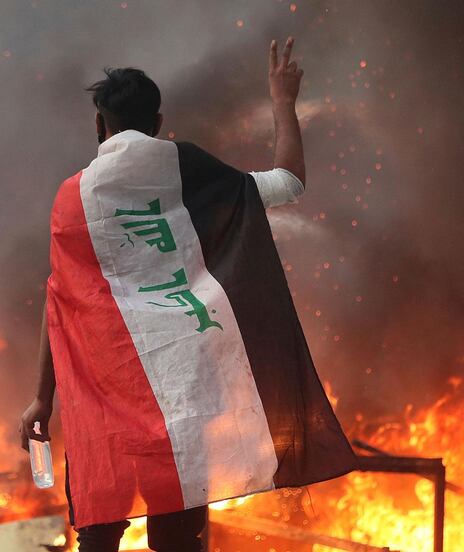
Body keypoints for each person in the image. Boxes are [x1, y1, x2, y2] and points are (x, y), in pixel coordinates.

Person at [20, 38, 355, 552]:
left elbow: (58, 302)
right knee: (177, 537)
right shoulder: (187, 169)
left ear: (98, 125)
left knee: (100, 530)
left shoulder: (74, 198)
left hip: (106, 400)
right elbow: (288, 183)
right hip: (183, 396)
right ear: (157, 122)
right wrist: (283, 102)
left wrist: (43, 398)